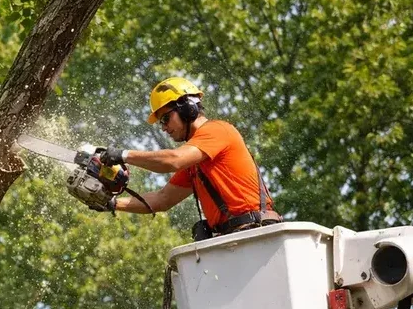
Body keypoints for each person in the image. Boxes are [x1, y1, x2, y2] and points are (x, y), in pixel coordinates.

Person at [98, 77, 282, 238]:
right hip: (234, 237)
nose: (164, 127)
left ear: (187, 109)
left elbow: (173, 160)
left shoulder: (217, 130)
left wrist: (123, 155)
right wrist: (110, 202)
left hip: (256, 233)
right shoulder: (195, 164)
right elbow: (162, 199)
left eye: (165, 119)